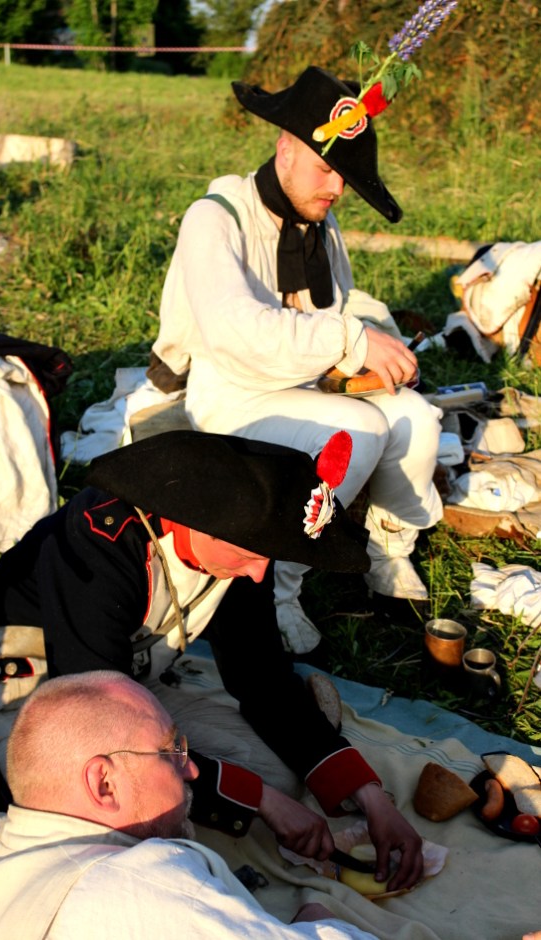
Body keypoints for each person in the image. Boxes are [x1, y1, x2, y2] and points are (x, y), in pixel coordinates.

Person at [0, 429, 423, 891]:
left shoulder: (245, 544)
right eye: (249, 556)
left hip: (122, 681)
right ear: (194, 518)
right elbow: (95, 723)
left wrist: (368, 795)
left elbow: (260, 676)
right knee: (117, 827)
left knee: (279, 775)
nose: (257, 573)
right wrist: (260, 800)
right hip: (28, 680)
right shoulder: (99, 543)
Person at [149, 66, 443, 652]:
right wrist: (351, 342)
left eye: (344, 176)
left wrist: (367, 360)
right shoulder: (216, 216)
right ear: (286, 147)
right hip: (229, 394)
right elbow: (235, 333)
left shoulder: (320, 223)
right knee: (359, 431)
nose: (337, 189)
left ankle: (389, 547)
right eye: (326, 169)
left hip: (301, 383)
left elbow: (333, 307)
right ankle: (277, 586)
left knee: (417, 417)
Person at [0, 670, 380, 940]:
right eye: (171, 751)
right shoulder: (149, 884)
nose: (191, 769)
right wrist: (319, 922)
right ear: (104, 783)